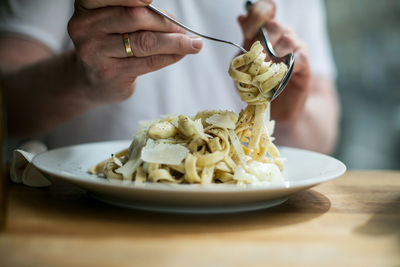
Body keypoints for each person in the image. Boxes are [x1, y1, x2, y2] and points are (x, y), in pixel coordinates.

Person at [0, 0, 339, 154]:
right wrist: (81, 78)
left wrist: (288, 110)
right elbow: (7, 107)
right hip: (83, 215)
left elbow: (322, 136)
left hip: (243, 223)